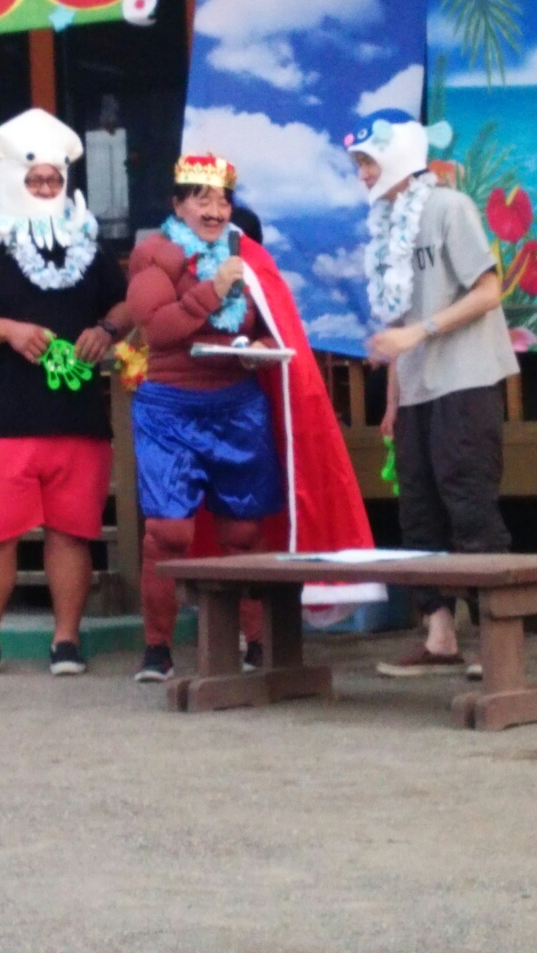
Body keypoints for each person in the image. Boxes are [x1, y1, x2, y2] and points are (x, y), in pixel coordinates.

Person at [127, 153, 373, 682]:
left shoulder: (250, 255)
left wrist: (260, 345)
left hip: (237, 404)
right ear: (178, 204)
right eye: (202, 199)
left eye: (222, 201)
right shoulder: (154, 254)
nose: (214, 211)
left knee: (244, 531)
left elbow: (272, 324)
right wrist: (213, 290)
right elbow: (158, 330)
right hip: (170, 407)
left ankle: (259, 642)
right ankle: (157, 648)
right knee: (168, 531)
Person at [0, 108, 131, 678]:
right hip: (3, 419)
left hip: (78, 418)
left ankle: (66, 640)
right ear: (10, 179)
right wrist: (8, 330)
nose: (45, 187)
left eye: (54, 179)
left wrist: (107, 329)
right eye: (35, 179)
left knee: (73, 535)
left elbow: (124, 303)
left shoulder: (88, 246)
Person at [345, 109, 519, 677]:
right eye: (359, 164)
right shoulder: (387, 224)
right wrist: (393, 397)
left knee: (469, 505)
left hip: (466, 378)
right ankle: (440, 636)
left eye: (368, 162)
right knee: (418, 510)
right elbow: (400, 318)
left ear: (398, 156)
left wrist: (418, 333)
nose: (362, 174)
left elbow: (488, 290)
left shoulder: (449, 206)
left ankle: (498, 642)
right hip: (417, 388)